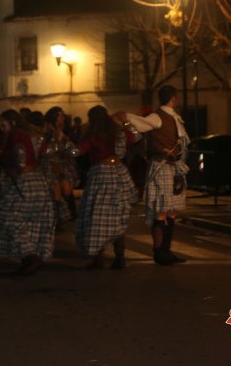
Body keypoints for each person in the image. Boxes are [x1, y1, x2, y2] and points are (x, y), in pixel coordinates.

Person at [0, 109, 55, 276]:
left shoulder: (17, 135)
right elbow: (46, 153)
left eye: (3, 124)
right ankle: (27, 260)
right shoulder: (34, 136)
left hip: (23, 182)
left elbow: (20, 157)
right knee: (28, 222)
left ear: (13, 122)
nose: (1, 128)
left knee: (10, 218)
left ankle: (30, 256)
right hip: (37, 181)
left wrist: (17, 169)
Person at [67, 106, 140, 269]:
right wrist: (126, 123)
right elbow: (136, 137)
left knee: (97, 217)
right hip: (119, 174)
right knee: (117, 217)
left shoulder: (94, 136)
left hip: (100, 176)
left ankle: (98, 259)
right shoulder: (118, 133)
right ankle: (119, 258)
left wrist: (64, 143)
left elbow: (75, 152)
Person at [125, 85, 190, 266]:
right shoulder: (157, 117)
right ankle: (159, 252)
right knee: (160, 212)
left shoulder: (174, 118)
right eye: (176, 99)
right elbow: (135, 123)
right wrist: (124, 118)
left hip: (174, 169)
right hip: (161, 167)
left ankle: (166, 251)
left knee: (171, 212)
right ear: (173, 99)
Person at [43, 107, 78, 224]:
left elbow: (72, 149)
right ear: (54, 117)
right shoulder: (48, 129)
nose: (63, 118)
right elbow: (46, 149)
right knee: (56, 192)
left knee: (67, 190)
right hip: (51, 165)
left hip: (63, 165)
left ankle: (69, 214)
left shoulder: (63, 130)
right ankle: (57, 220)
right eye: (61, 116)